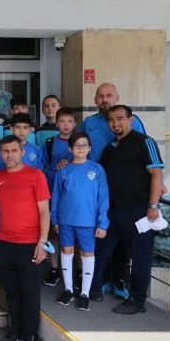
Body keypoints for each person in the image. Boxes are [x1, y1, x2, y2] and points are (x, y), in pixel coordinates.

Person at [91, 105, 163, 315]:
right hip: (113, 212)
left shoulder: (145, 141)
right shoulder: (110, 149)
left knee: (140, 258)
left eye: (120, 118)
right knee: (100, 252)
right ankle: (92, 288)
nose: (115, 123)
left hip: (139, 211)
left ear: (131, 120)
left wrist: (153, 206)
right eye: (111, 119)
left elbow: (156, 174)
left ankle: (137, 300)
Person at [79, 83, 147, 300]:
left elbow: (147, 157)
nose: (104, 99)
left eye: (109, 95)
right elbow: (79, 147)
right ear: (95, 100)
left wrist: (157, 187)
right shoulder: (89, 124)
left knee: (124, 240)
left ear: (117, 97)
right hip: (99, 188)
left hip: (128, 192)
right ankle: (99, 281)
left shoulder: (134, 125)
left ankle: (119, 280)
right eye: (100, 96)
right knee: (102, 236)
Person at [0, 136, 51, 341]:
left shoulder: (36, 176)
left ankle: (31, 338)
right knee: (12, 292)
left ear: (22, 152)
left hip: (29, 244)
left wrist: (42, 242)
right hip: (4, 243)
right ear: (1, 153)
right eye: (6, 151)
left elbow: (44, 211)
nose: (10, 155)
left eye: (14, 150)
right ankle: (15, 332)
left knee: (30, 293)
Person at [51, 132, 109, 311]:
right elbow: (56, 196)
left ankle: (85, 293)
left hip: (88, 221)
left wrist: (102, 222)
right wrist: (54, 219)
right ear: (70, 148)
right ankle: (68, 289)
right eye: (77, 145)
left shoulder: (97, 169)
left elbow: (103, 198)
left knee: (87, 255)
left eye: (84, 145)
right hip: (66, 220)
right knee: (66, 252)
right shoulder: (64, 170)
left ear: (90, 148)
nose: (81, 148)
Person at [41, 107, 77, 286]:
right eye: (62, 121)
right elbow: (42, 166)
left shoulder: (80, 142)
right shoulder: (49, 143)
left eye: (70, 121)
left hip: (73, 195)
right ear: (56, 124)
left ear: (75, 124)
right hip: (51, 192)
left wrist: (69, 162)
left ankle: (77, 271)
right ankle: (54, 268)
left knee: (75, 231)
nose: (66, 125)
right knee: (53, 231)